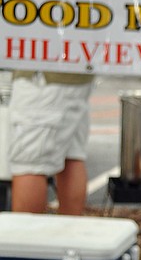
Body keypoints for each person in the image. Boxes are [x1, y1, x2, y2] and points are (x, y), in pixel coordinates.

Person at [8, 70, 93, 214]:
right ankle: (70, 233)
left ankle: (26, 235)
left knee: (29, 163)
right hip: (77, 68)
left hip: (43, 73)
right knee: (71, 154)